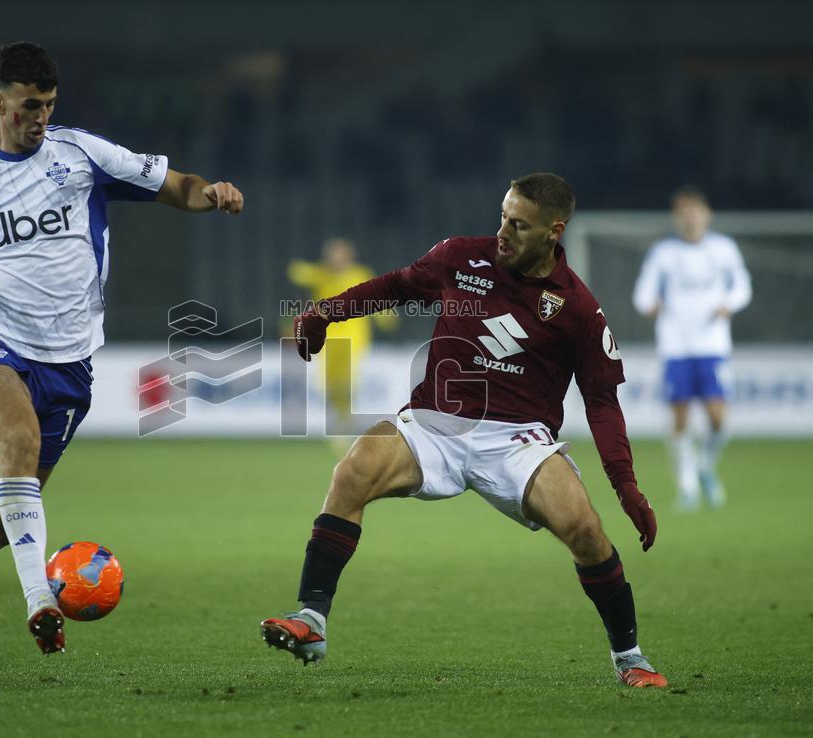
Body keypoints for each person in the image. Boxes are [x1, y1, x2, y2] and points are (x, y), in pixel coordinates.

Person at [0, 41, 244, 655]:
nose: (41, 118)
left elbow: (178, 185)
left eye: (49, 104)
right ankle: (40, 601)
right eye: (30, 106)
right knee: (19, 441)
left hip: (71, 362)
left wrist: (211, 193)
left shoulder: (83, 154)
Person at [261, 173, 667, 688]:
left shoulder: (578, 309)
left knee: (585, 529)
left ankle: (630, 658)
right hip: (436, 422)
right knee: (353, 470)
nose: (504, 232)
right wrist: (325, 313)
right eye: (503, 217)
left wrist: (626, 487)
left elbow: (602, 403)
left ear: (554, 232)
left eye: (519, 225)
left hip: (518, 440)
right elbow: (396, 286)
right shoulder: (461, 258)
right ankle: (312, 619)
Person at [632, 187, 751, 510]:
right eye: (684, 213)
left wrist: (729, 304)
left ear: (706, 215)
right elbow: (642, 293)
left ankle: (704, 467)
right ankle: (687, 488)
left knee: (718, 419)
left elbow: (742, 286)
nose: (690, 219)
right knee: (680, 418)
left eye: (695, 212)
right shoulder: (663, 253)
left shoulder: (723, 249)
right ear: (676, 218)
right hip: (676, 347)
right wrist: (649, 304)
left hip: (712, 345)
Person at [287, 238, 396, 440]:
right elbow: (297, 272)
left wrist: (386, 316)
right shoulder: (322, 274)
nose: (334, 260)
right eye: (331, 256)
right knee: (330, 385)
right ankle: (339, 420)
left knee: (346, 382)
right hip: (327, 339)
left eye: (338, 255)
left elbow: (376, 296)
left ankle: (345, 422)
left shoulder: (360, 275)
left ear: (348, 257)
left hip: (354, 338)